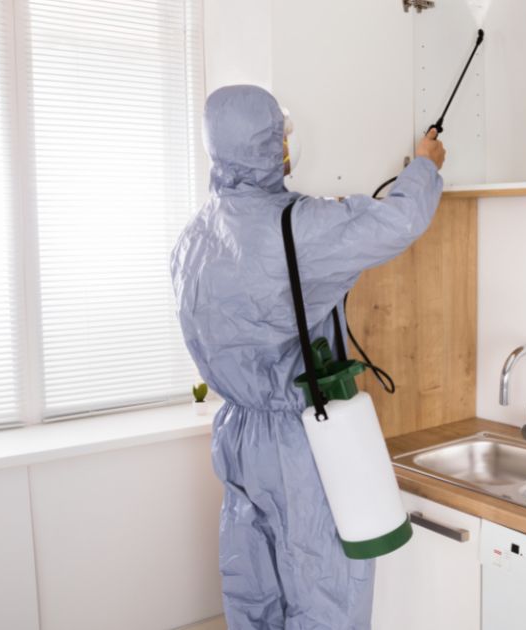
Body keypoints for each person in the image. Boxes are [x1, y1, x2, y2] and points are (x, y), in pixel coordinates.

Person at [170, 84, 446, 630]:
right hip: (299, 442)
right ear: (271, 146)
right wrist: (425, 165)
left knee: (254, 591)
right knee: (323, 598)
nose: (288, 145)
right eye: (283, 135)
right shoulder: (298, 227)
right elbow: (400, 222)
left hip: (235, 435)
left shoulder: (193, 237)